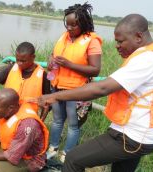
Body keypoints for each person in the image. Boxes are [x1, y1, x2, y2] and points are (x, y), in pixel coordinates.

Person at [37, 14, 153, 172]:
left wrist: (54, 96)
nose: (117, 46)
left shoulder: (148, 59)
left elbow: (101, 88)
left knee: (73, 159)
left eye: (120, 41)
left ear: (138, 36)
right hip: (142, 133)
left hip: (132, 136)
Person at [46, 2, 102, 162]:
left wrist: (69, 65)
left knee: (72, 124)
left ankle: (67, 154)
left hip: (76, 91)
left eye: (73, 25)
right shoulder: (64, 36)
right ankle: (53, 148)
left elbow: (95, 69)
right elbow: (53, 53)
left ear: (83, 23)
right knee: (57, 121)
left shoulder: (92, 41)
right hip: (56, 87)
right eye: (67, 24)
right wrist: (50, 60)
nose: (69, 28)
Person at [0, 88, 49, 172]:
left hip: (29, 160)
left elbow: (11, 155)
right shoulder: (4, 112)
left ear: (10, 108)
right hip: (11, 147)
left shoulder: (27, 125)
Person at [0, 42, 51, 120]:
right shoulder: (11, 68)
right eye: (17, 60)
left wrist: (41, 121)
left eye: (23, 61)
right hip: (7, 113)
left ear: (33, 57)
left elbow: (47, 103)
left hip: (28, 118)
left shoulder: (43, 75)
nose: (19, 63)